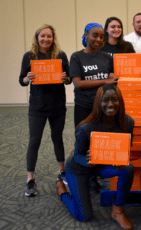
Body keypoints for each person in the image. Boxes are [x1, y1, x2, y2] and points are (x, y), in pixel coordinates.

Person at [56, 84, 135, 230]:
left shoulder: (128, 122)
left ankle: (118, 211)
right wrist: (86, 161)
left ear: (121, 101)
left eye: (115, 100)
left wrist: (120, 161)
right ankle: (62, 192)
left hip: (102, 165)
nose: (110, 104)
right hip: (79, 168)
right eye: (105, 100)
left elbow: (125, 149)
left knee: (127, 168)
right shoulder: (86, 127)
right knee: (84, 216)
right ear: (99, 102)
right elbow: (76, 156)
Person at [19, 24, 71, 196]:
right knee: (34, 141)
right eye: (43, 36)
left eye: (49, 36)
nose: (46, 39)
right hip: (37, 107)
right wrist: (27, 78)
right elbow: (22, 80)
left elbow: (69, 79)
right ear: (37, 38)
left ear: (53, 38)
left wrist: (65, 77)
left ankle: (62, 171)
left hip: (57, 106)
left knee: (58, 139)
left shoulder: (61, 56)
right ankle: (30, 179)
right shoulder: (30, 56)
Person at [69, 23, 118, 191]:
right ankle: (81, 174)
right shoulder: (76, 57)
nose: (98, 39)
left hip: (103, 108)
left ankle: (94, 176)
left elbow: (113, 79)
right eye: (95, 35)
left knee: (100, 142)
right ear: (86, 35)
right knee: (83, 142)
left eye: (101, 37)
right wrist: (105, 81)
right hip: (84, 106)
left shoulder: (107, 57)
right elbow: (78, 83)